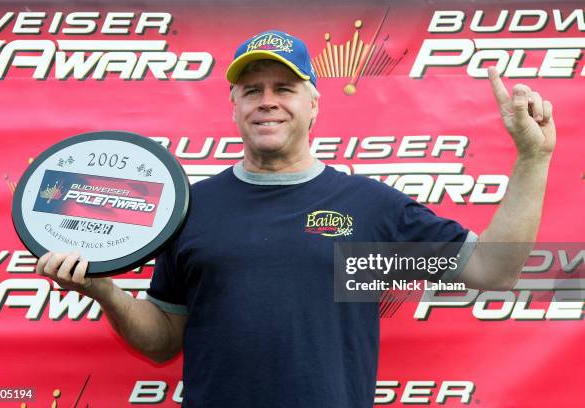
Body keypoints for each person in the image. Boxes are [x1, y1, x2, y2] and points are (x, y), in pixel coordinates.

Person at [36, 30, 555, 407]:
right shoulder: (190, 209)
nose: (267, 102)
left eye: (284, 89)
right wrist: (105, 291)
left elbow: (494, 270)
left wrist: (533, 159)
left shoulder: (371, 207)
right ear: (234, 105)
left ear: (313, 104)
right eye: (252, 90)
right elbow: (163, 341)